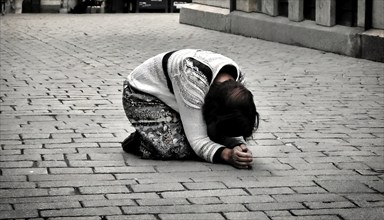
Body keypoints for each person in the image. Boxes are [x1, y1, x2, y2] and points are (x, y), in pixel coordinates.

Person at [122, 49, 259, 169]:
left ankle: (158, 131)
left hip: (177, 99)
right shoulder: (192, 78)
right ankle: (141, 141)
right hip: (140, 95)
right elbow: (198, 140)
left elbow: (233, 121)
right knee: (178, 147)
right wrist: (226, 154)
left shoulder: (238, 82)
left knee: (211, 136)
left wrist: (238, 146)